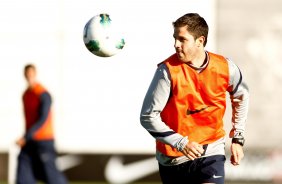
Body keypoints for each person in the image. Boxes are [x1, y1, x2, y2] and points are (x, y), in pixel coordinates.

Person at [140, 13, 249, 184]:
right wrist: (181, 143)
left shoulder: (226, 67)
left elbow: (242, 96)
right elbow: (148, 116)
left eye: (182, 39)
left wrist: (238, 137)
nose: (176, 44)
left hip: (211, 151)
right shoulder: (166, 71)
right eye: (175, 38)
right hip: (173, 159)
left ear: (200, 41)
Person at [16, 64, 68, 184]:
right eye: (27, 74)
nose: (29, 77)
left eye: (31, 74)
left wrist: (25, 137)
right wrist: (27, 137)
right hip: (30, 141)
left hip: (44, 140)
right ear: (24, 75)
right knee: (23, 169)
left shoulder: (43, 94)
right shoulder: (25, 95)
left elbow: (42, 119)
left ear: (35, 74)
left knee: (51, 177)